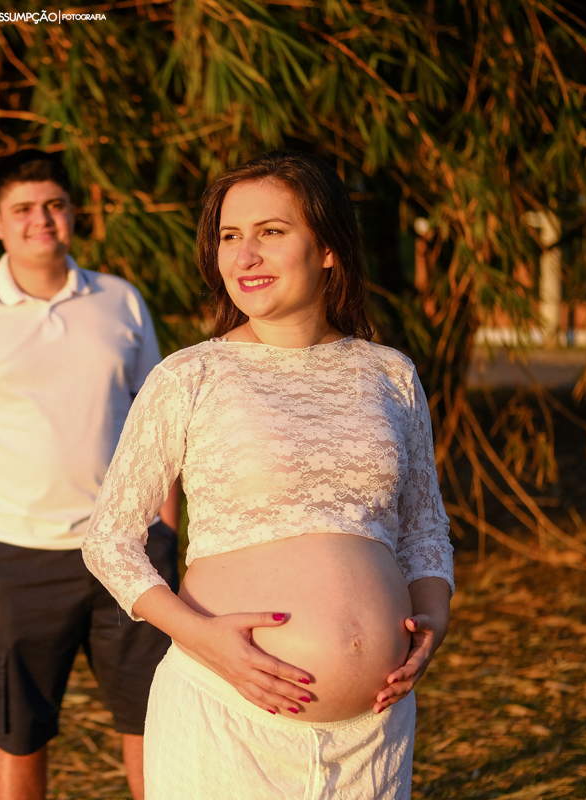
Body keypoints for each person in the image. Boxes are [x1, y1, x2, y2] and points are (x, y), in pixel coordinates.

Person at [82, 150, 455, 799]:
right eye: (230, 236)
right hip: (225, 714)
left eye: (271, 232)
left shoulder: (389, 374)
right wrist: (204, 640)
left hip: (374, 730)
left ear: (329, 247)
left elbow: (424, 525)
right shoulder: (189, 377)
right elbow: (109, 540)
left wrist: (433, 620)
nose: (245, 255)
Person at [0, 150, 181, 800]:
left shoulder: (120, 300)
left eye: (54, 205)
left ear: (71, 213)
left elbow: (158, 426)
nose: (42, 220)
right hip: (19, 558)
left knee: (156, 720)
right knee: (19, 731)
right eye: (24, 209)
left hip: (129, 548)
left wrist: (165, 530)